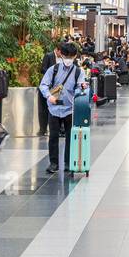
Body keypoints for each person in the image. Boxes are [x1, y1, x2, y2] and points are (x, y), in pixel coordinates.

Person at [39, 42, 87, 174]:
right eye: (66, 56)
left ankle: (68, 162)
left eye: (71, 57)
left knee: (70, 137)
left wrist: (82, 87)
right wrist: (49, 96)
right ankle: (53, 163)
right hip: (54, 108)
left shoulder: (78, 72)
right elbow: (43, 85)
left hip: (70, 109)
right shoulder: (53, 69)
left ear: (75, 56)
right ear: (61, 54)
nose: (68, 59)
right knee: (53, 136)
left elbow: (80, 87)